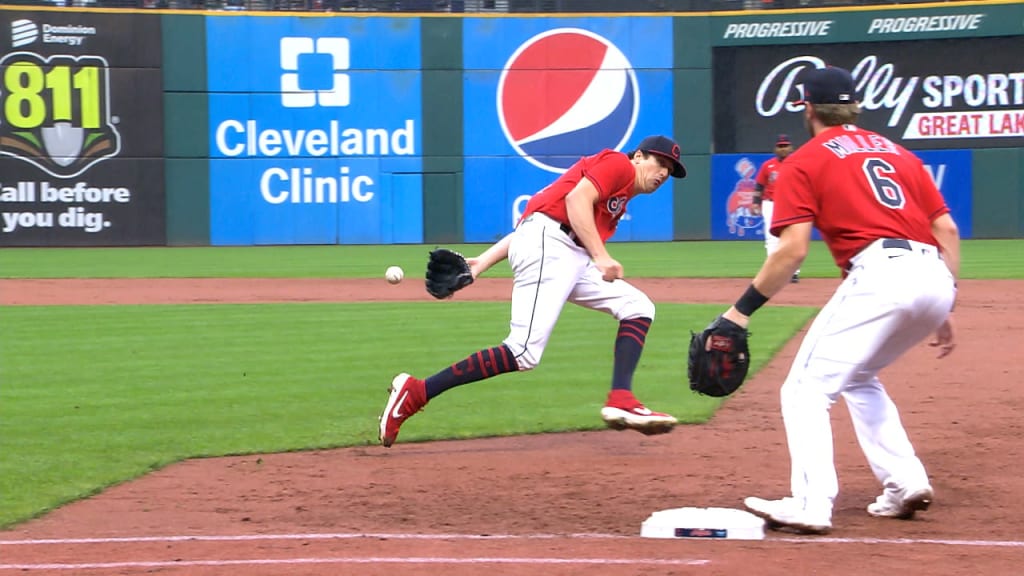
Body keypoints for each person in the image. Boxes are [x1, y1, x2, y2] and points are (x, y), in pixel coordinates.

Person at [709, 66, 960, 534]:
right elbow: (946, 228)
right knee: (859, 376)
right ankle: (905, 481)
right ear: (855, 107)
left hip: (882, 273)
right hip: (934, 274)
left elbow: (792, 251)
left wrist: (739, 311)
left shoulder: (805, 161)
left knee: (804, 390)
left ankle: (810, 502)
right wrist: (947, 301)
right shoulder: (899, 153)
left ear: (807, 108)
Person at [379, 135, 687, 447]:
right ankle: (416, 392)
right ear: (638, 156)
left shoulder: (620, 196)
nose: (663, 173)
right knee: (523, 351)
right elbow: (571, 204)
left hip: (563, 251)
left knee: (638, 307)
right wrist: (601, 256)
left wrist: (482, 262)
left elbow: (536, 222)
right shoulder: (619, 164)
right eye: (659, 162)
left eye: (670, 170)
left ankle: (621, 397)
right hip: (555, 247)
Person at [753, 133, 800, 283]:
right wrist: (755, 202)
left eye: (785, 146)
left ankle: (793, 272)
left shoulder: (797, 164)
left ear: (791, 147)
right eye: (780, 146)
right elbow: (759, 185)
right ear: (775, 148)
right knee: (771, 237)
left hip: (791, 203)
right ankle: (772, 272)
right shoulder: (768, 165)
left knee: (792, 237)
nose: (783, 149)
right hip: (770, 203)